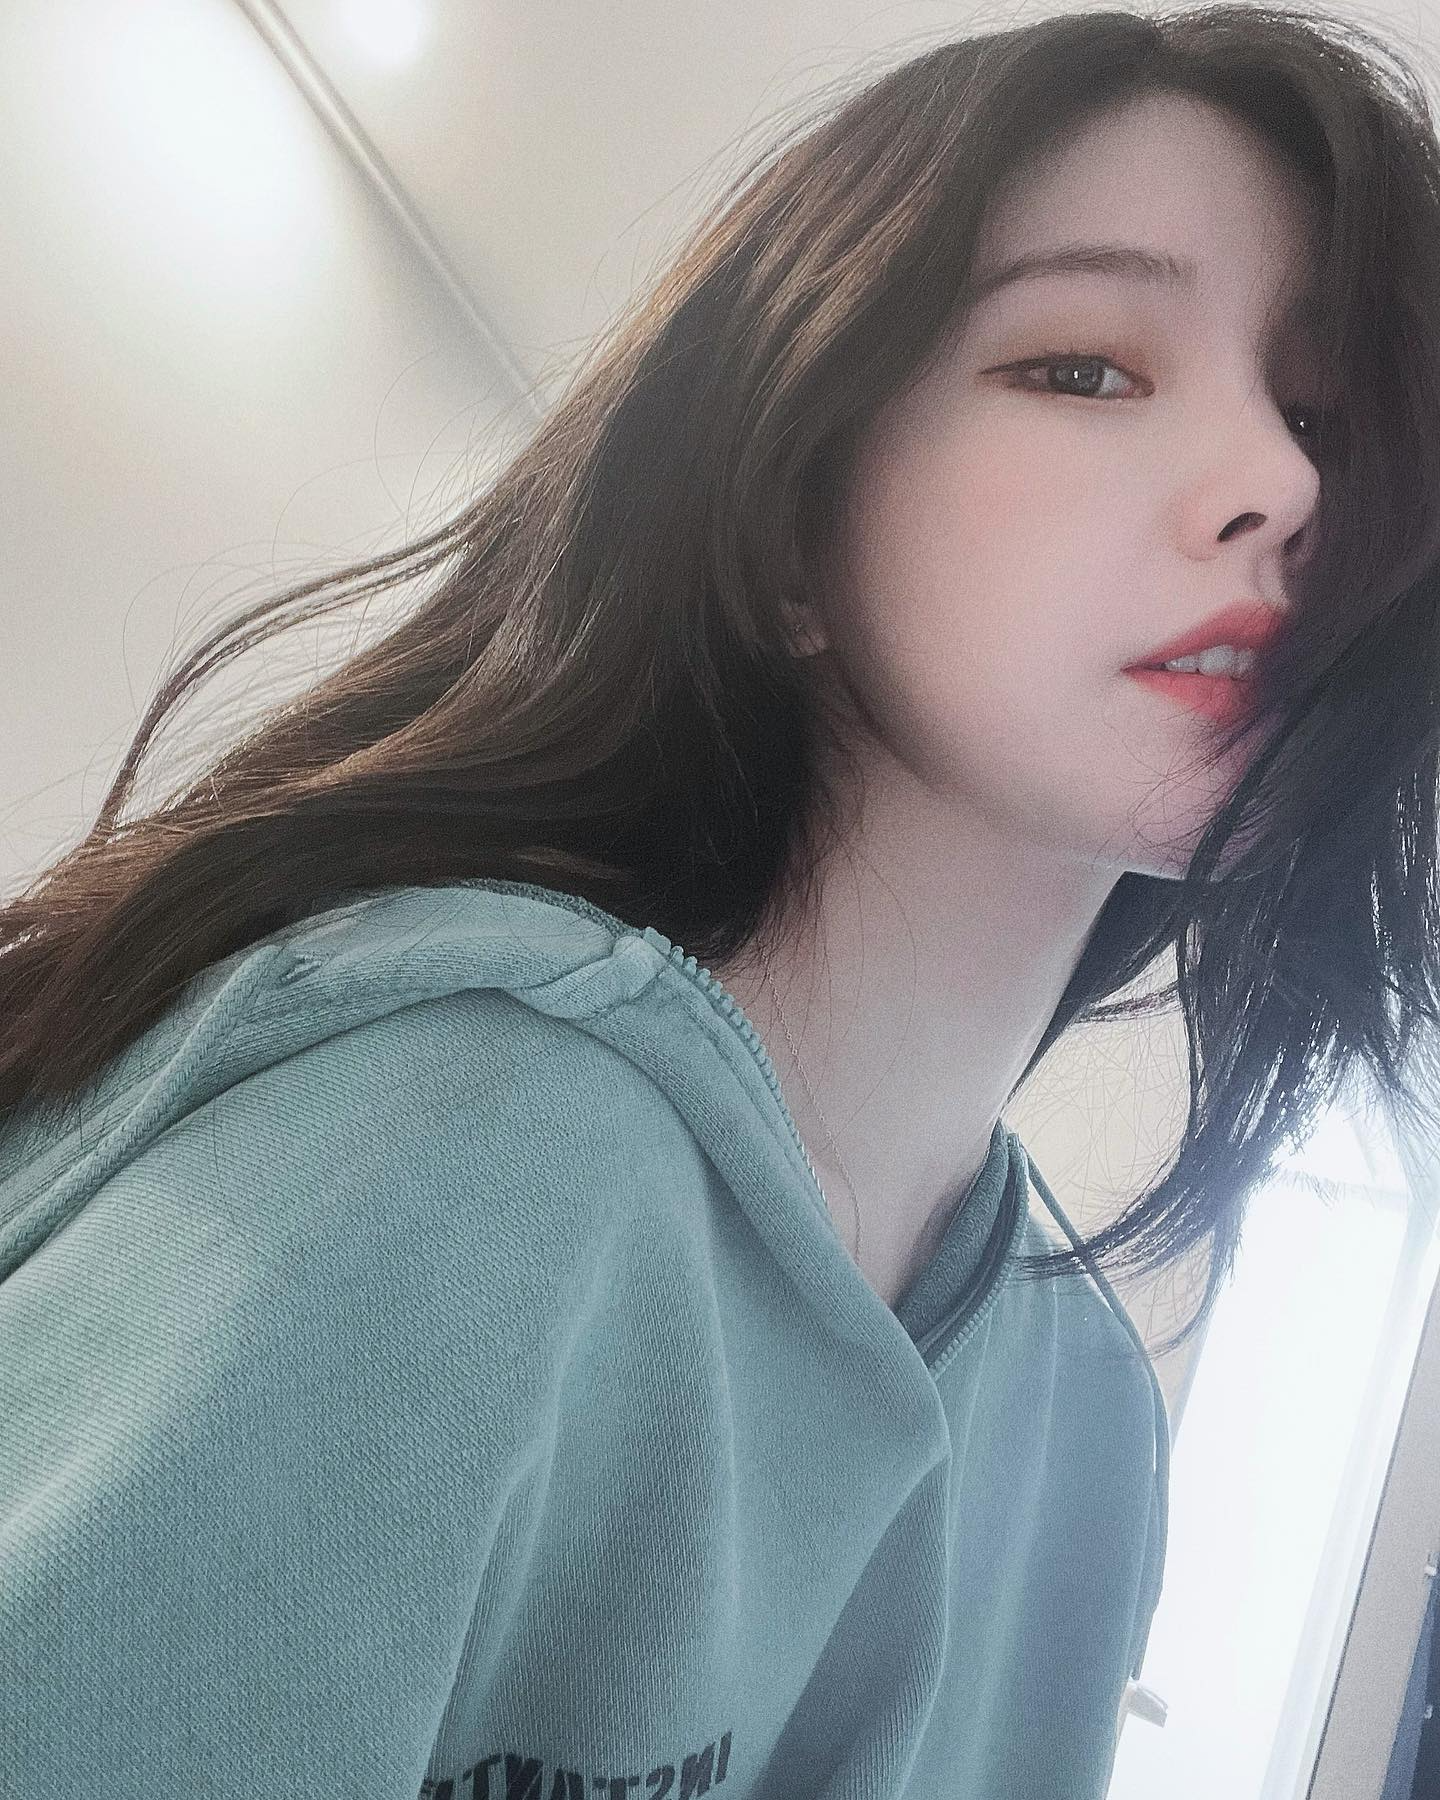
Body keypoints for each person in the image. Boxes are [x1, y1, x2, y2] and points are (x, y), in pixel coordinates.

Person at [4, 6, 1440, 1797]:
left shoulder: (1084, 1438)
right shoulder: (471, 1140)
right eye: (1082, 368)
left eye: (1323, 414)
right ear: (780, 527)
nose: (1286, 486)